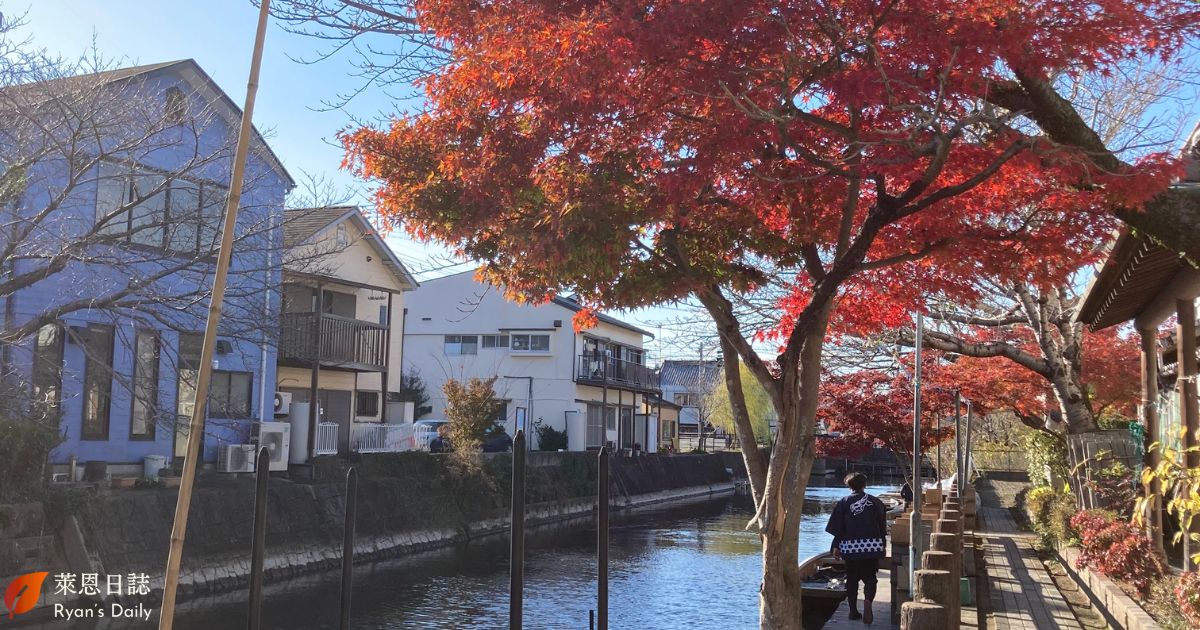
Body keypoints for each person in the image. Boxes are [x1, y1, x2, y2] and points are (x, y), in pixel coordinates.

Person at [825, 472, 887, 624]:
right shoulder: (876, 502)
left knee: (852, 580)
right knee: (870, 578)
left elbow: (838, 529)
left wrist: (835, 546)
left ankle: (853, 611)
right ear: (864, 485)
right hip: (872, 547)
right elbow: (882, 528)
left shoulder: (843, 502)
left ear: (848, 486)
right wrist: (882, 546)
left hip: (851, 548)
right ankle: (868, 601)